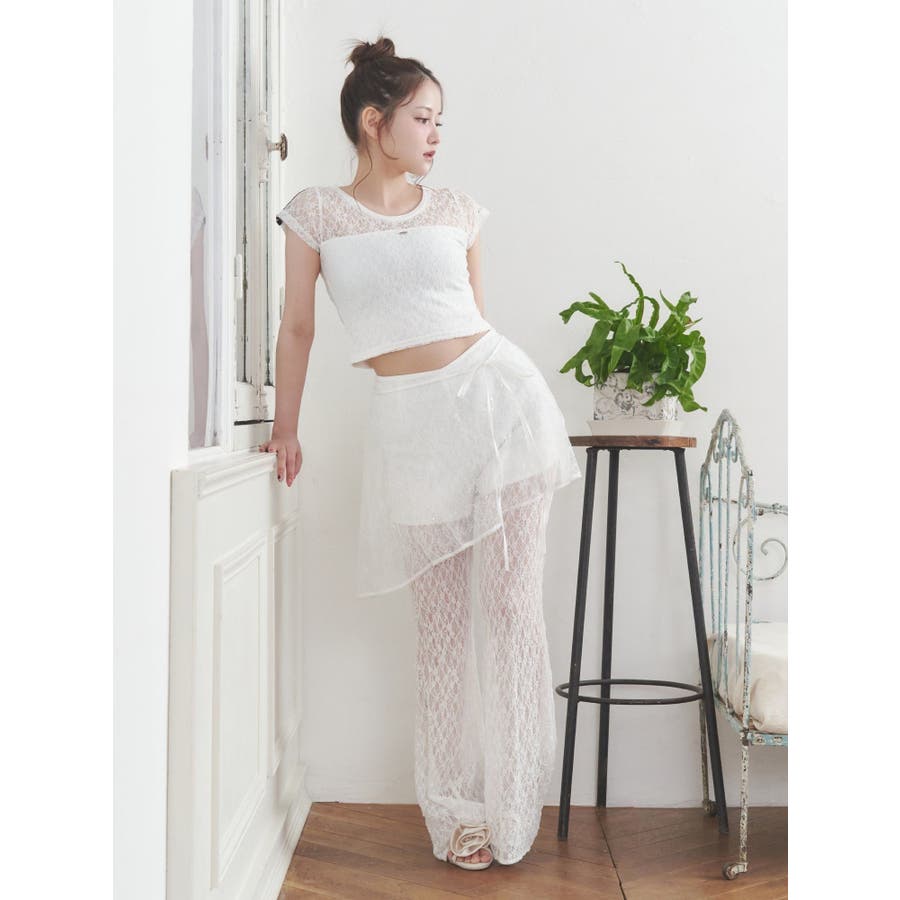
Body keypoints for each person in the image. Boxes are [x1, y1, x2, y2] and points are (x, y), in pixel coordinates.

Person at [259, 35, 581, 870]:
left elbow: (476, 318)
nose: (437, 135)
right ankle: (454, 813)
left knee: (512, 612)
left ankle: (513, 807)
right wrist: (286, 425)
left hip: (499, 406)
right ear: (376, 122)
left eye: (440, 121)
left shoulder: (458, 210)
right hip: (411, 430)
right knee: (439, 628)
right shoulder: (315, 214)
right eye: (423, 119)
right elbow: (299, 328)